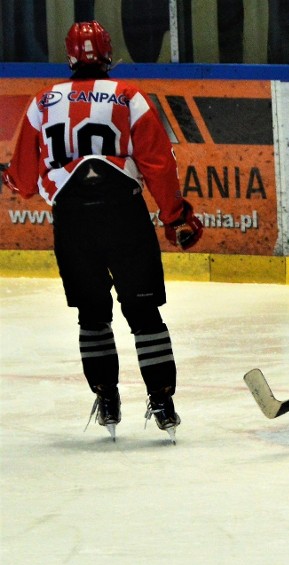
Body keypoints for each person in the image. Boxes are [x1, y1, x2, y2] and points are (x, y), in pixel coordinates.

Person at [1, 21, 203, 443]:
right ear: (109, 54)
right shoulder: (129, 97)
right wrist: (175, 216)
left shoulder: (42, 102)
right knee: (144, 313)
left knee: (92, 315)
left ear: (70, 57)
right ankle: (162, 402)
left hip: (73, 222)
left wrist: (29, 181)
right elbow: (158, 165)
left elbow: (21, 179)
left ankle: (107, 398)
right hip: (123, 215)